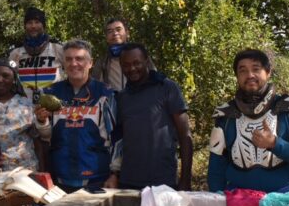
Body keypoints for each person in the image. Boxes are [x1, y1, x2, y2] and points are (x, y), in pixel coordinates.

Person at [207, 49, 289, 193]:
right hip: (237, 201)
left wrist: (275, 143)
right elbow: (216, 169)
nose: (250, 75)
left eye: (256, 69)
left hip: (281, 199)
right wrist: (217, 200)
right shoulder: (226, 115)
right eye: (243, 71)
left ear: (268, 72)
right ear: (237, 76)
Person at [104, 43, 193, 190]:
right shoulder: (122, 97)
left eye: (136, 63)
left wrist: (185, 180)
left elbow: (185, 136)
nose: (132, 68)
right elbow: (118, 140)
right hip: (128, 181)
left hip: (162, 181)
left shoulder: (167, 87)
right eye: (126, 65)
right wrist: (115, 174)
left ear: (146, 60)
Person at [34, 39, 116, 192]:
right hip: (60, 177)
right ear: (63, 63)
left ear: (90, 63)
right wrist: (42, 121)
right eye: (69, 59)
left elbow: (116, 137)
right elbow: (46, 136)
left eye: (79, 59)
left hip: (97, 178)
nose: (74, 63)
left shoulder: (106, 93)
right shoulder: (50, 92)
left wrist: (115, 174)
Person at [8, 7, 65, 104]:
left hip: (53, 107)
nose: (33, 26)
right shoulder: (15, 53)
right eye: (29, 23)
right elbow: (9, 80)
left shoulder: (58, 49)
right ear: (25, 26)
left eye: (37, 22)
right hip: (25, 109)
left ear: (43, 25)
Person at [91, 18, 154, 91]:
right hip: (115, 101)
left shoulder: (140, 55)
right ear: (106, 37)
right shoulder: (103, 61)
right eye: (110, 31)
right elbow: (95, 86)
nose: (115, 33)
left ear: (127, 33)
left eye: (118, 29)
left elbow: (155, 77)